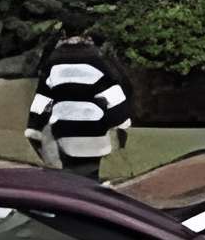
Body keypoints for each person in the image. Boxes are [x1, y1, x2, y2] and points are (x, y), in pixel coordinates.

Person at [24, 11, 134, 179]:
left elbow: (43, 101)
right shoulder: (97, 61)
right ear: (88, 35)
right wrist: (121, 122)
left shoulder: (53, 63)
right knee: (91, 180)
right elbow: (114, 98)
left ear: (63, 34)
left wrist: (34, 127)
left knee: (70, 180)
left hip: (65, 135)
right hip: (95, 137)